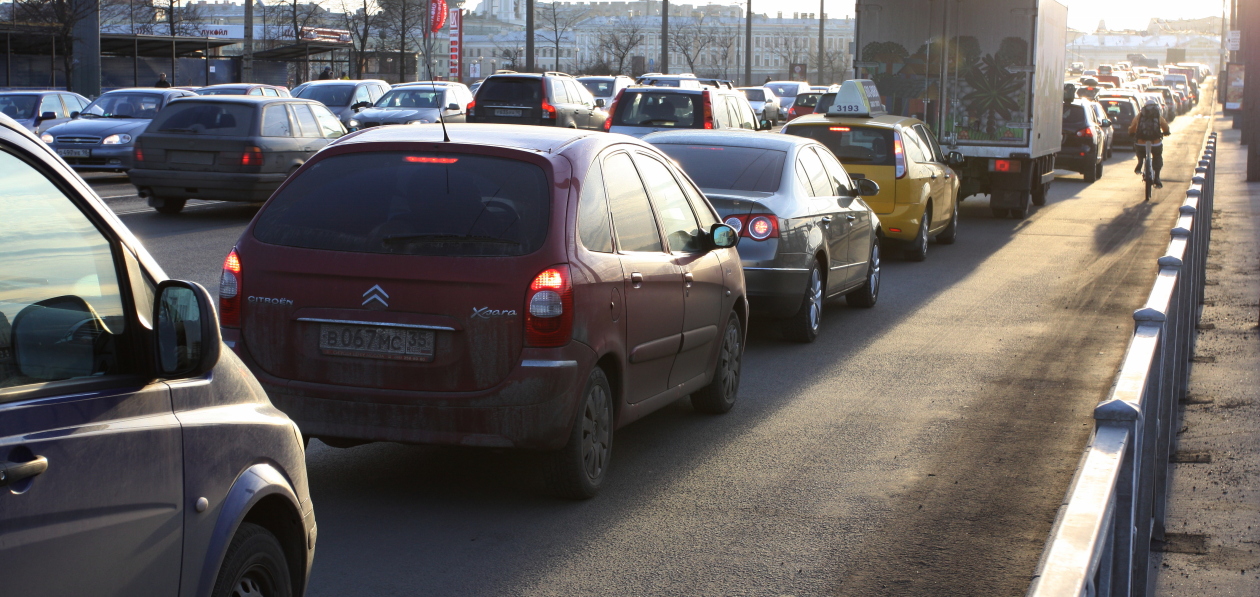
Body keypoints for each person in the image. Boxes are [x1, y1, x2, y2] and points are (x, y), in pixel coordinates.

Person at [1129, 99, 1170, 189]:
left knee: (1140, 151)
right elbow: (1164, 125)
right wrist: (1166, 132)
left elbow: (1133, 126)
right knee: (1157, 156)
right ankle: (1157, 178)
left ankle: (1140, 161)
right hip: (1155, 143)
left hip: (1141, 143)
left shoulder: (1140, 116)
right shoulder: (1157, 116)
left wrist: (1132, 133)